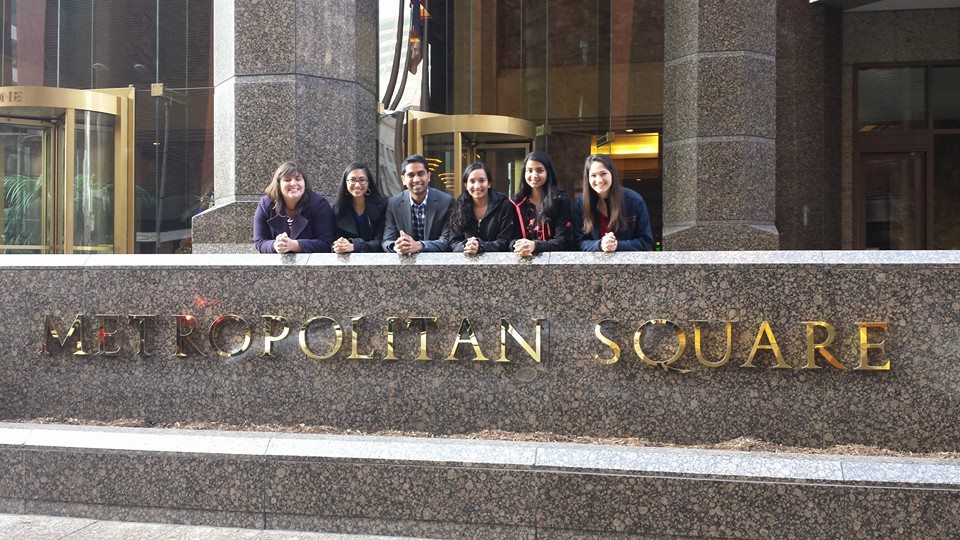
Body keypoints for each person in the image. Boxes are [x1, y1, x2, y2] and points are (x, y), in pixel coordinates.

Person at [573, 153, 653, 252]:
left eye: (603, 174)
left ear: (612, 174)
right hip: (593, 265)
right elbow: (579, 242)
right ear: (588, 178)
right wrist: (599, 245)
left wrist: (617, 245)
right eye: (593, 175)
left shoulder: (634, 201)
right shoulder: (580, 204)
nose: (599, 180)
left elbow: (646, 242)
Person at [253, 161, 334, 253]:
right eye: (287, 180)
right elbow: (259, 241)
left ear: (304, 183)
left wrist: (294, 245)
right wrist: (275, 245)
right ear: (278, 184)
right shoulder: (265, 204)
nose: (293, 183)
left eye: (298, 179)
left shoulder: (319, 205)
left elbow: (326, 243)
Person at [382, 154, 453, 254]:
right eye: (411, 175)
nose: (416, 179)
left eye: (420, 174)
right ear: (403, 179)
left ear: (428, 176)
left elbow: (446, 241)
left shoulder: (446, 202)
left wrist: (419, 245)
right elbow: (387, 241)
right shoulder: (393, 203)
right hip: (406, 264)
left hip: (436, 263)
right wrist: (396, 246)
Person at [509, 151, 573, 256]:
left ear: (548, 172)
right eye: (529, 170)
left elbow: (563, 241)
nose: (534, 175)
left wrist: (535, 245)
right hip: (523, 262)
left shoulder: (560, 201)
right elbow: (509, 239)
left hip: (554, 264)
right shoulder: (516, 203)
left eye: (539, 170)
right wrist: (518, 246)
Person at [448, 162, 516, 255]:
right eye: (472, 181)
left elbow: (505, 241)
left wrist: (481, 246)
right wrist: (466, 246)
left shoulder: (503, 205)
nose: (477, 186)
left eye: (482, 180)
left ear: (489, 183)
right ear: (465, 185)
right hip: (467, 263)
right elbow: (453, 242)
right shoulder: (459, 205)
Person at [331, 162, 387, 253]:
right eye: (352, 180)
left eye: (362, 180)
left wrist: (355, 246)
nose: (357, 185)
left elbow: (381, 242)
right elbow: (331, 241)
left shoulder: (383, 206)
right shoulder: (337, 209)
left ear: (368, 182)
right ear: (345, 183)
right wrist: (338, 246)